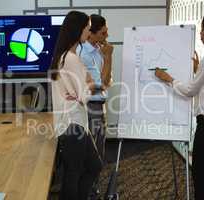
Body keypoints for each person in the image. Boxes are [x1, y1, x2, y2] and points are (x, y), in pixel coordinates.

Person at [155, 12, 204, 200]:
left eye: (203, 29)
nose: (200, 33)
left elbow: (190, 90)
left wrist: (168, 79)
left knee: (199, 169)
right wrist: (199, 70)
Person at [50, 11, 102, 200]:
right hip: (73, 125)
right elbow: (84, 96)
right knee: (75, 173)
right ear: (77, 29)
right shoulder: (71, 59)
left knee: (89, 168)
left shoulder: (64, 56)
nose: (89, 33)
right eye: (87, 29)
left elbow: (77, 94)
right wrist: (89, 83)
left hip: (72, 124)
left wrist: (85, 85)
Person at [76, 14, 113, 198]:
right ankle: (90, 192)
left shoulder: (98, 49)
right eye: (103, 33)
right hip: (92, 108)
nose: (106, 36)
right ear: (91, 34)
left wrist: (106, 57)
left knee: (99, 150)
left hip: (98, 106)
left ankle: (92, 189)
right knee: (95, 155)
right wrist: (109, 57)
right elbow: (104, 82)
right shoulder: (84, 55)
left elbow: (107, 80)